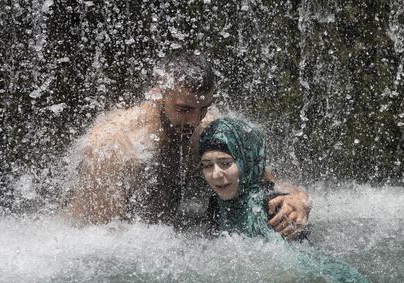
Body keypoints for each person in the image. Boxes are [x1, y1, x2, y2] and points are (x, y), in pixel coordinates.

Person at [64, 52, 310, 239]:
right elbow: (100, 236)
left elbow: (264, 182)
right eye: (184, 109)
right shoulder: (114, 145)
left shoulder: (208, 129)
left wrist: (297, 201)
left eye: (203, 109)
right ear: (157, 95)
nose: (195, 120)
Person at [198, 117, 368, 282]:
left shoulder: (273, 206)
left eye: (226, 163)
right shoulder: (216, 205)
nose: (216, 174)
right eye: (207, 165)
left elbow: (301, 266)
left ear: (247, 161)